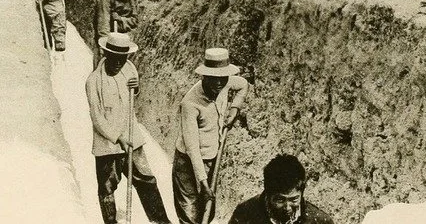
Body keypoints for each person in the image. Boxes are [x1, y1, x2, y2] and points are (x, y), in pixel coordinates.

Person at [85, 32, 171, 224]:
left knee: (147, 181)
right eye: (115, 58)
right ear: (106, 54)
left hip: (133, 140)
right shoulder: (93, 82)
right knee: (107, 189)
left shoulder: (129, 68)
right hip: (107, 146)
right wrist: (117, 138)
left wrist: (137, 87)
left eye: (122, 58)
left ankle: (161, 222)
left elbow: (133, 94)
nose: (119, 63)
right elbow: (97, 117)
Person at [173, 48, 249, 224]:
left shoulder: (224, 83)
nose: (219, 84)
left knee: (208, 213)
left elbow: (243, 84)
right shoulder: (190, 104)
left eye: (222, 78)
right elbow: (192, 149)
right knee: (190, 216)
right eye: (214, 78)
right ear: (204, 76)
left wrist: (235, 108)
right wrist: (204, 184)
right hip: (187, 165)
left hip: (211, 160)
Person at [228, 155, 334, 224]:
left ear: (302, 193)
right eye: (280, 200)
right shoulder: (245, 215)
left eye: (293, 199)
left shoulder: (319, 221)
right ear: (268, 194)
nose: (287, 208)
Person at [93, 0, 139, 68]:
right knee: (102, 72)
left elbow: (135, 21)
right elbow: (103, 24)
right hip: (108, 42)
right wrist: (103, 47)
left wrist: (121, 19)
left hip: (123, 42)